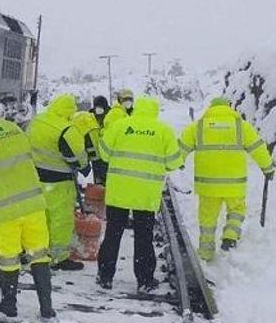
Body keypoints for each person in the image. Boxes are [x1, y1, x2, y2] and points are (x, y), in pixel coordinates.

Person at [0, 100, 55, 319]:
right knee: (39, 254)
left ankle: (9, 304)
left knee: (9, 257)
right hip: (34, 204)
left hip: (5, 210)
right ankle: (46, 307)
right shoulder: (13, 128)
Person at [97, 95, 182, 291]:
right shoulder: (163, 130)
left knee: (113, 234)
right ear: (155, 110)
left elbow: (104, 153)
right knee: (144, 237)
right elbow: (174, 162)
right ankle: (144, 280)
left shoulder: (120, 125)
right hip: (146, 194)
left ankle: (105, 276)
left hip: (119, 191)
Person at [178, 97, 275, 261]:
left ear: (211, 108)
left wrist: (175, 163)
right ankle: (230, 236)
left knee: (207, 219)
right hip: (234, 184)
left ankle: (206, 253)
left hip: (208, 185)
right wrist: (268, 168)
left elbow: (180, 148)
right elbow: (258, 147)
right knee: (236, 210)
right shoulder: (241, 126)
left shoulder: (198, 126)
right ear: (229, 107)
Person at [26, 95, 88, 271]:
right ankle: (59, 258)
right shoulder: (67, 129)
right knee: (60, 220)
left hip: (36, 178)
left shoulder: (37, 121)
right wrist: (84, 166)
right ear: (70, 111)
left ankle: (37, 253)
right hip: (59, 181)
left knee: (40, 217)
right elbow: (77, 158)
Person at [72, 110, 105, 185]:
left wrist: (84, 168)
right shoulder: (91, 118)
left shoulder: (74, 119)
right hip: (93, 141)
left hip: (86, 137)